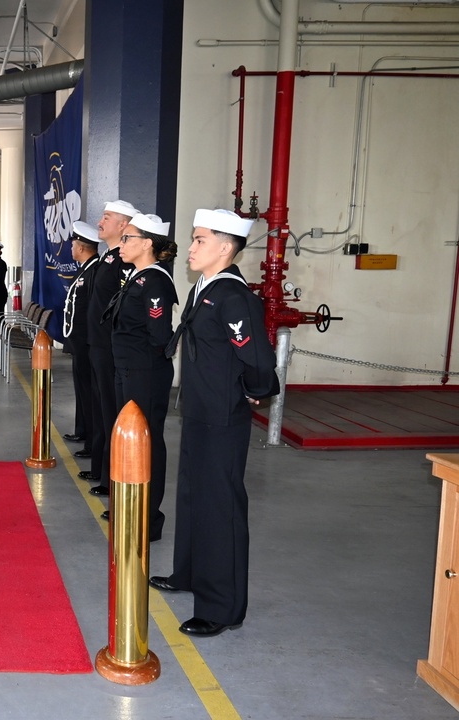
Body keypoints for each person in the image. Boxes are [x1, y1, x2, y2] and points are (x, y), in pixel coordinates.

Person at [150, 208, 279, 638]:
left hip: (222, 417)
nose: (190, 247)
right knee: (191, 496)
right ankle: (189, 573)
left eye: (200, 240)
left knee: (219, 507)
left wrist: (257, 388)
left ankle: (222, 607)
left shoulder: (232, 296)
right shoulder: (204, 289)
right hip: (199, 412)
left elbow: (257, 357)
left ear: (225, 248)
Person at [104, 213, 178, 533]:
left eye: (128, 238)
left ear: (147, 243)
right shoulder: (137, 276)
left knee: (146, 441)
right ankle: (130, 504)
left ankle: (148, 518)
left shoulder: (156, 280)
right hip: (128, 368)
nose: (122, 244)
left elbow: (159, 334)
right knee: (129, 440)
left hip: (145, 371)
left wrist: (138, 361)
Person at [85, 200, 137, 494]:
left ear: (123, 225)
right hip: (97, 345)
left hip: (109, 347)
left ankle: (110, 479)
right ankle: (100, 470)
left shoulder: (124, 261)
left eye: (107, 217)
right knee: (100, 409)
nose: (100, 221)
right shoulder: (108, 256)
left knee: (110, 412)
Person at [61, 221, 101, 459]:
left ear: (82, 247)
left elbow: (92, 310)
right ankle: (82, 429)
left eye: (74, 244)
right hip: (79, 341)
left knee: (89, 390)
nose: (71, 249)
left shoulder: (95, 270)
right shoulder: (85, 268)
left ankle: (91, 438)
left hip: (87, 341)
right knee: (81, 388)